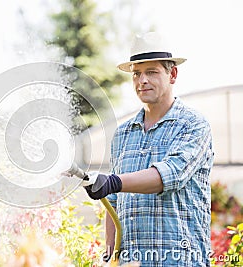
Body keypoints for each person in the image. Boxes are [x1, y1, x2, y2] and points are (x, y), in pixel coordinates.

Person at [81, 32, 214, 266]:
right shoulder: (123, 134)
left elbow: (170, 175)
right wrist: (110, 255)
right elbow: (113, 201)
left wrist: (113, 181)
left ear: (172, 74)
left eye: (151, 72)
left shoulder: (193, 125)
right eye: (136, 73)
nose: (142, 80)